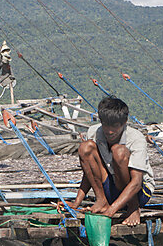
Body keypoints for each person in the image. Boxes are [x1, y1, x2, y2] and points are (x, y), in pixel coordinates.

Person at [63, 96, 155, 226]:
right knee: (85, 147)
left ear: (124, 123)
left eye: (115, 126)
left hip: (140, 191)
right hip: (112, 186)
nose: (109, 131)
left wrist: (110, 212)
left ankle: (133, 207)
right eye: (105, 125)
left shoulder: (136, 138)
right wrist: (76, 202)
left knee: (119, 152)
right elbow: (89, 170)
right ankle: (101, 201)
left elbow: (137, 182)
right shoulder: (94, 132)